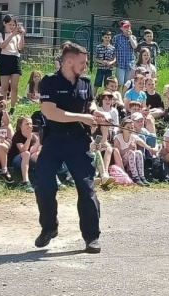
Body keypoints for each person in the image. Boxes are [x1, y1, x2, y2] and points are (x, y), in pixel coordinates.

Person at [34, 42, 107, 254]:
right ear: (69, 61)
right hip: (54, 141)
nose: (85, 66)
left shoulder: (85, 82)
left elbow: (89, 103)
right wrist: (82, 117)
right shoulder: (49, 82)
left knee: (86, 188)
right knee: (45, 185)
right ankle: (49, 228)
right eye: (82, 62)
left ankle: (91, 236)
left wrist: (94, 112)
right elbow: (49, 112)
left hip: (78, 140)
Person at [0, 14, 25, 114]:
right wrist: (11, 35)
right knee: (4, 87)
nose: (12, 27)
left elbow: (20, 48)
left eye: (13, 25)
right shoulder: (0, 35)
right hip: (4, 59)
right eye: (10, 24)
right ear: (4, 23)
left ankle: (13, 108)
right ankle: (2, 108)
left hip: (15, 59)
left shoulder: (17, 36)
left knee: (14, 86)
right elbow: (2, 45)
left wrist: (21, 35)